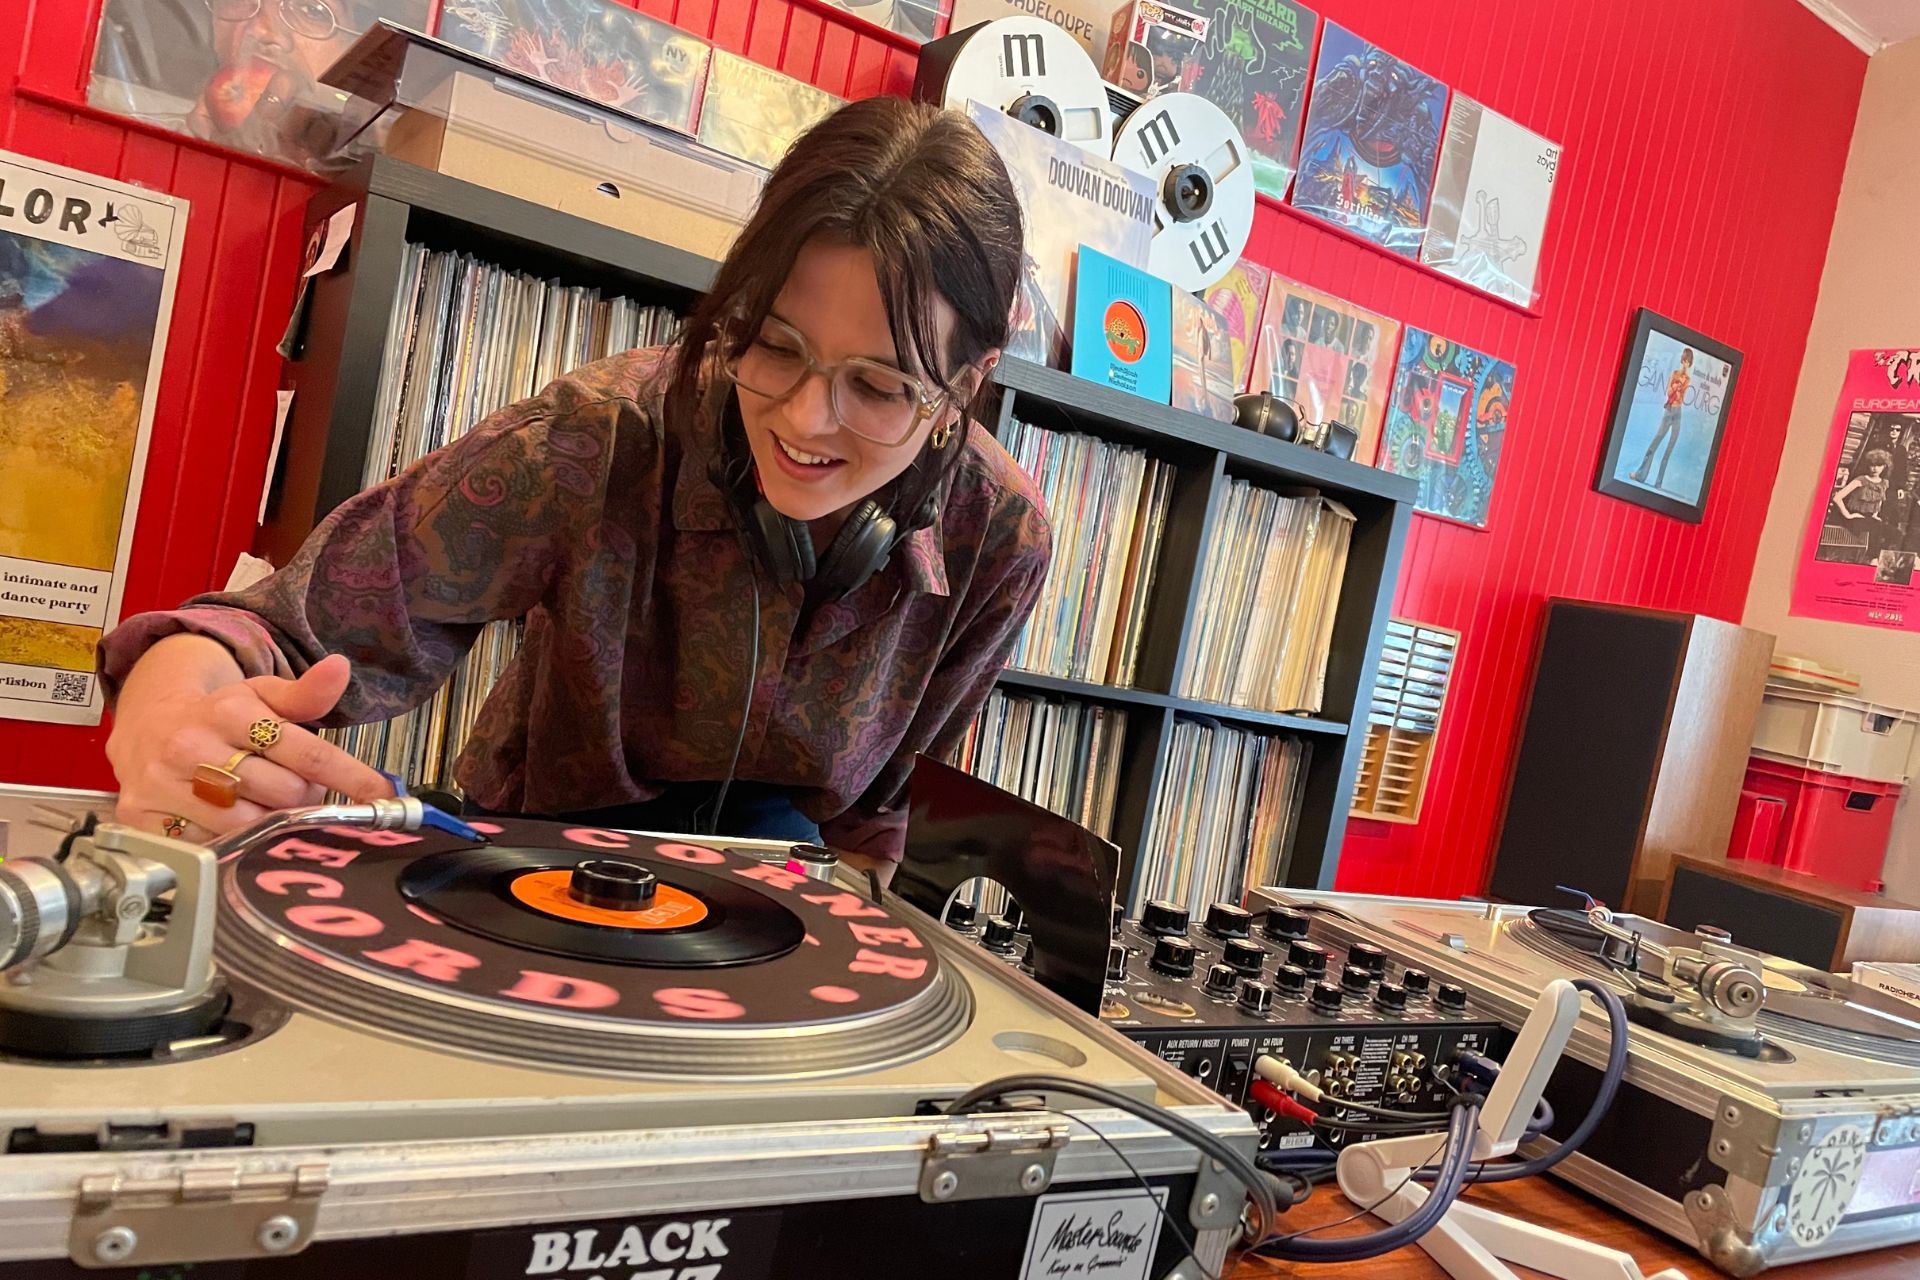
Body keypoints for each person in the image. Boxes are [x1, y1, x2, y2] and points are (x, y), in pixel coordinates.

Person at [98, 97, 1049, 887]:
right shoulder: (595, 436)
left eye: (879, 385)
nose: (804, 418)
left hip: (783, 879)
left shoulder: (1001, 538)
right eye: (771, 343)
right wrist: (169, 703)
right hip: (535, 847)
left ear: (966, 383)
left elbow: (883, 818)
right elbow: (278, 629)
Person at [1630, 347, 1693, 487]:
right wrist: (1675, 388)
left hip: (1678, 413)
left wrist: (1678, 390)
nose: (1686, 363)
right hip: (1669, 410)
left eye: (1688, 362)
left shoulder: (1688, 380)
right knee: (1656, 441)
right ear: (1682, 360)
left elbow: (1682, 398)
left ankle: (1659, 483)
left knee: (1670, 446)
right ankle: (1640, 475)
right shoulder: (1675, 373)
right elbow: (1668, 391)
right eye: (1684, 360)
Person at [1831, 448, 1893, 560]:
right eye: (1872, 465)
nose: (1875, 468)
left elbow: (1879, 500)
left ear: (1884, 466)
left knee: (1894, 532)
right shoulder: (1861, 480)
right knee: (1876, 528)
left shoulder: (1884, 483)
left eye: (1879, 465)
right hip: (1853, 517)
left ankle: (1881, 559)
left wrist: (1875, 514)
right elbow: (1837, 498)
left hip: (1868, 517)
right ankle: (1873, 559)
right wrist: (1848, 515)